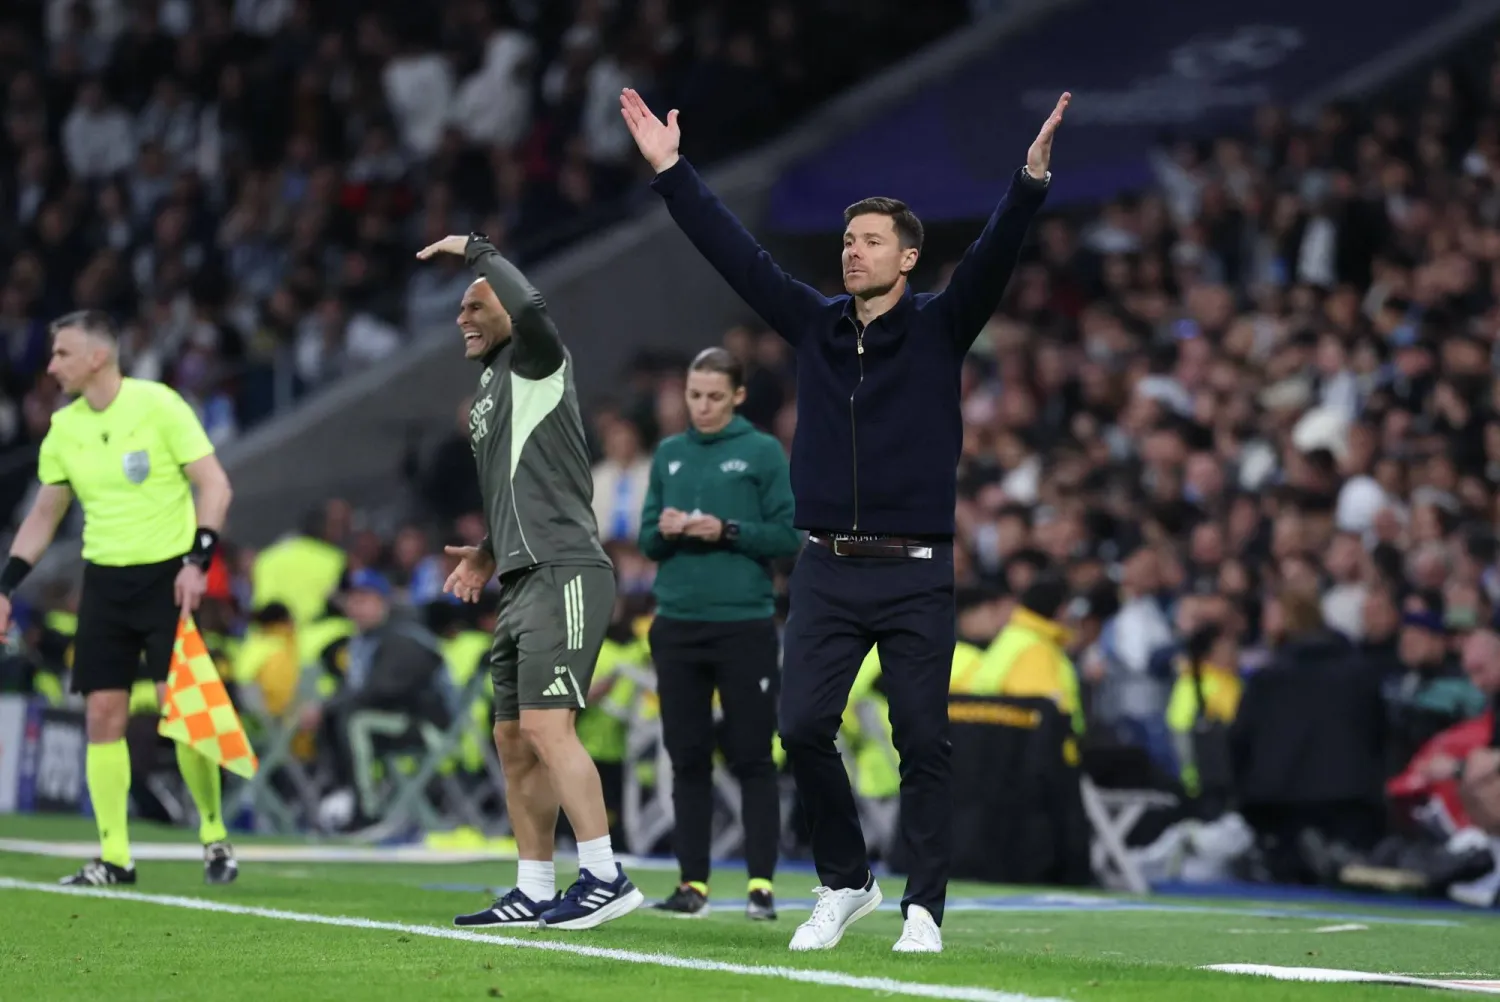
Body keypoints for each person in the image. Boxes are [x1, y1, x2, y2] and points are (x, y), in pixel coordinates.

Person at [620, 86, 1069, 953]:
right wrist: (672, 173)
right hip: (826, 564)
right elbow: (737, 257)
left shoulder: (941, 326)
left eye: (869, 241)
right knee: (798, 730)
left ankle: (924, 908)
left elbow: (993, 257)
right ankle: (847, 881)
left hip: (914, 568)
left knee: (924, 741)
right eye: (847, 239)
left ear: (907, 259)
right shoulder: (817, 325)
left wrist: (1028, 184)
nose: (851, 251)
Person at [415, 233, 643, 931]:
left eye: (474, 305)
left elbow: (533, 305)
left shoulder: (538, 360)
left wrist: (478, 251)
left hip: (566, 571)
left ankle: (605, 874)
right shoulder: (491, 387)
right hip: (519, 579)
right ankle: (535, 887)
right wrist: (487, 552)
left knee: (547, 726)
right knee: (514, 740)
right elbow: (523, 487)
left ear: (506, 312)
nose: (461, 317)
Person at [0, 310, 236, 886]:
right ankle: (114, 856)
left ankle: (212, 834)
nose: (51, 365)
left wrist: (196, 562)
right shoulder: (65, 428)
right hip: (104, 581)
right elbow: (45, 515)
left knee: (179, 710)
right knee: (102, 713)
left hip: (166, 576)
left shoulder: (159, 406)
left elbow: (215, 485)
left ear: (97, 356)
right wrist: (5, 585)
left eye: (61, 354)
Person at [637, 346, 800, 920]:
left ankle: (761, 885)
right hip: (677, 622)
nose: (700, 407)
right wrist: (666, 529)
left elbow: (787, 536)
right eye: (693, 395)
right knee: (686, 757)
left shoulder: (760, 452)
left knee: (754, 756)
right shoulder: (669, 454)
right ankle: (692, 886)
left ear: (738, 396)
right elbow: (646, 542)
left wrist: (725, 529)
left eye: (712, 396)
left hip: (743, 625)